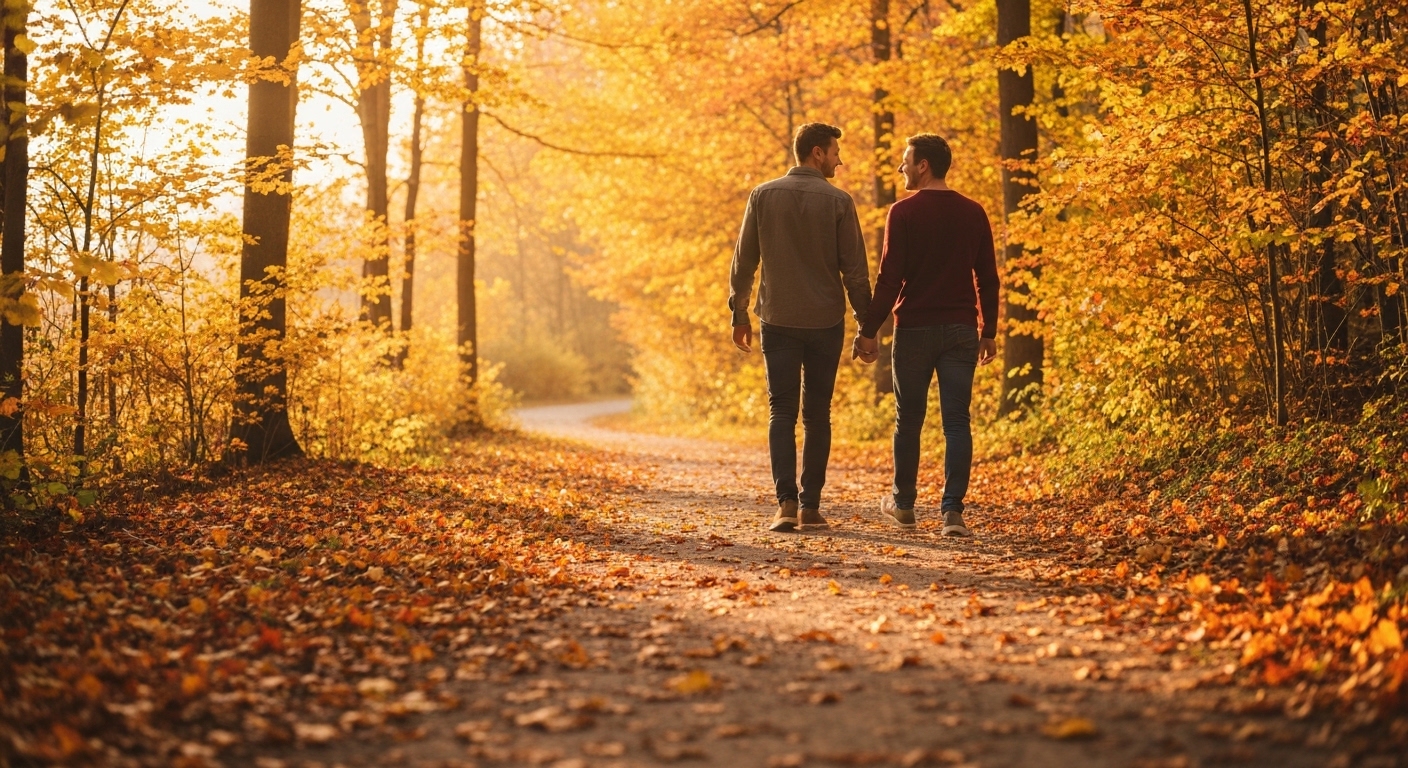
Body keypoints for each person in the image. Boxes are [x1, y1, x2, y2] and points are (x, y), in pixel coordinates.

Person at [729, 123, 872, 533]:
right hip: (826, 321)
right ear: (816, 153)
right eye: (835, 153)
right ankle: (811, 507)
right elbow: (856, 274)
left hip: (778, 318)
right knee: (817, 415)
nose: (839, 160)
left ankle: (786, 506)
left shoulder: (762, 195)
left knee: (781, 411)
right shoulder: (840, 202)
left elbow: (743, 263)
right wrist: (867, 326)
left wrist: (739, 314)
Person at [855, 134, 999, 536]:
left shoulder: (903, 213)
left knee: (909, 420)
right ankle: (952, 513)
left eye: (906, 161)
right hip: (960, 330)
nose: (901, 168)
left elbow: (889, 278)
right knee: (957, 422)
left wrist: (868, 331)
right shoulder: (974, 213)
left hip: (914, 328)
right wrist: (989, 330)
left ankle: (904, 506)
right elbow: (987, 278)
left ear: (923, 166)